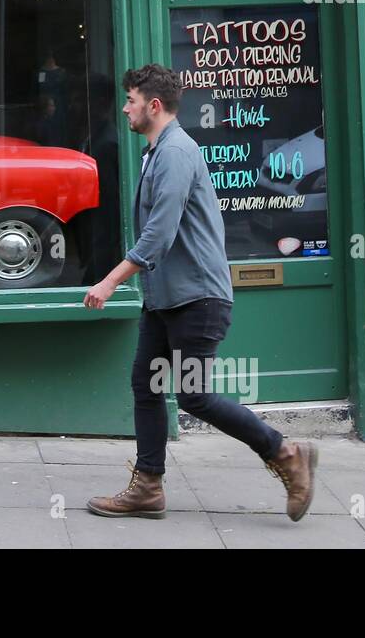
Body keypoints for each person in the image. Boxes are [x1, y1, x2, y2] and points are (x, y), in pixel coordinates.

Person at [82, 63, 318, 522]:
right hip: (167, 296)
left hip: (197, 298)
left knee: (194, 395)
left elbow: (160, 233)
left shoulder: (174, 153)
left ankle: (285, 452)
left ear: (153, 105)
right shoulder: (157, 151)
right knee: (147, 387)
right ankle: (148, 487)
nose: (125, 108)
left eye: (130, 100)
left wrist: (111, 280)